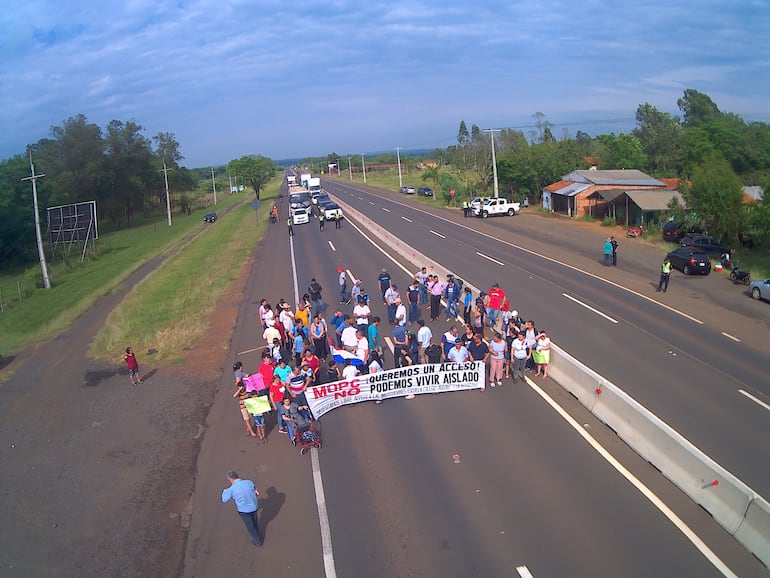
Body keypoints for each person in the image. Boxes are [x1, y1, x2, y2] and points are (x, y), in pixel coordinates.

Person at [221, 470, 262, 547]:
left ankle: (258, 541)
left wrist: (224, 491)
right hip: (254, 507)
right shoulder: (249, 482)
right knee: (255, 521)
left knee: (250, 526)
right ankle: (257, 532)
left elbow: (224, 500)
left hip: (244, 511)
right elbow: (256, 491)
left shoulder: (231, 489)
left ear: (230, 479)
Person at [232, 366, 258, 438]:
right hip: (243, 407)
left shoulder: (247, 390)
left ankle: (248, 429)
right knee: (247, 420)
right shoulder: (239, 392)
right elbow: (234, 396)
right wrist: (239, 390)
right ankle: (252, 432)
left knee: (250, 417)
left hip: (248, 405)